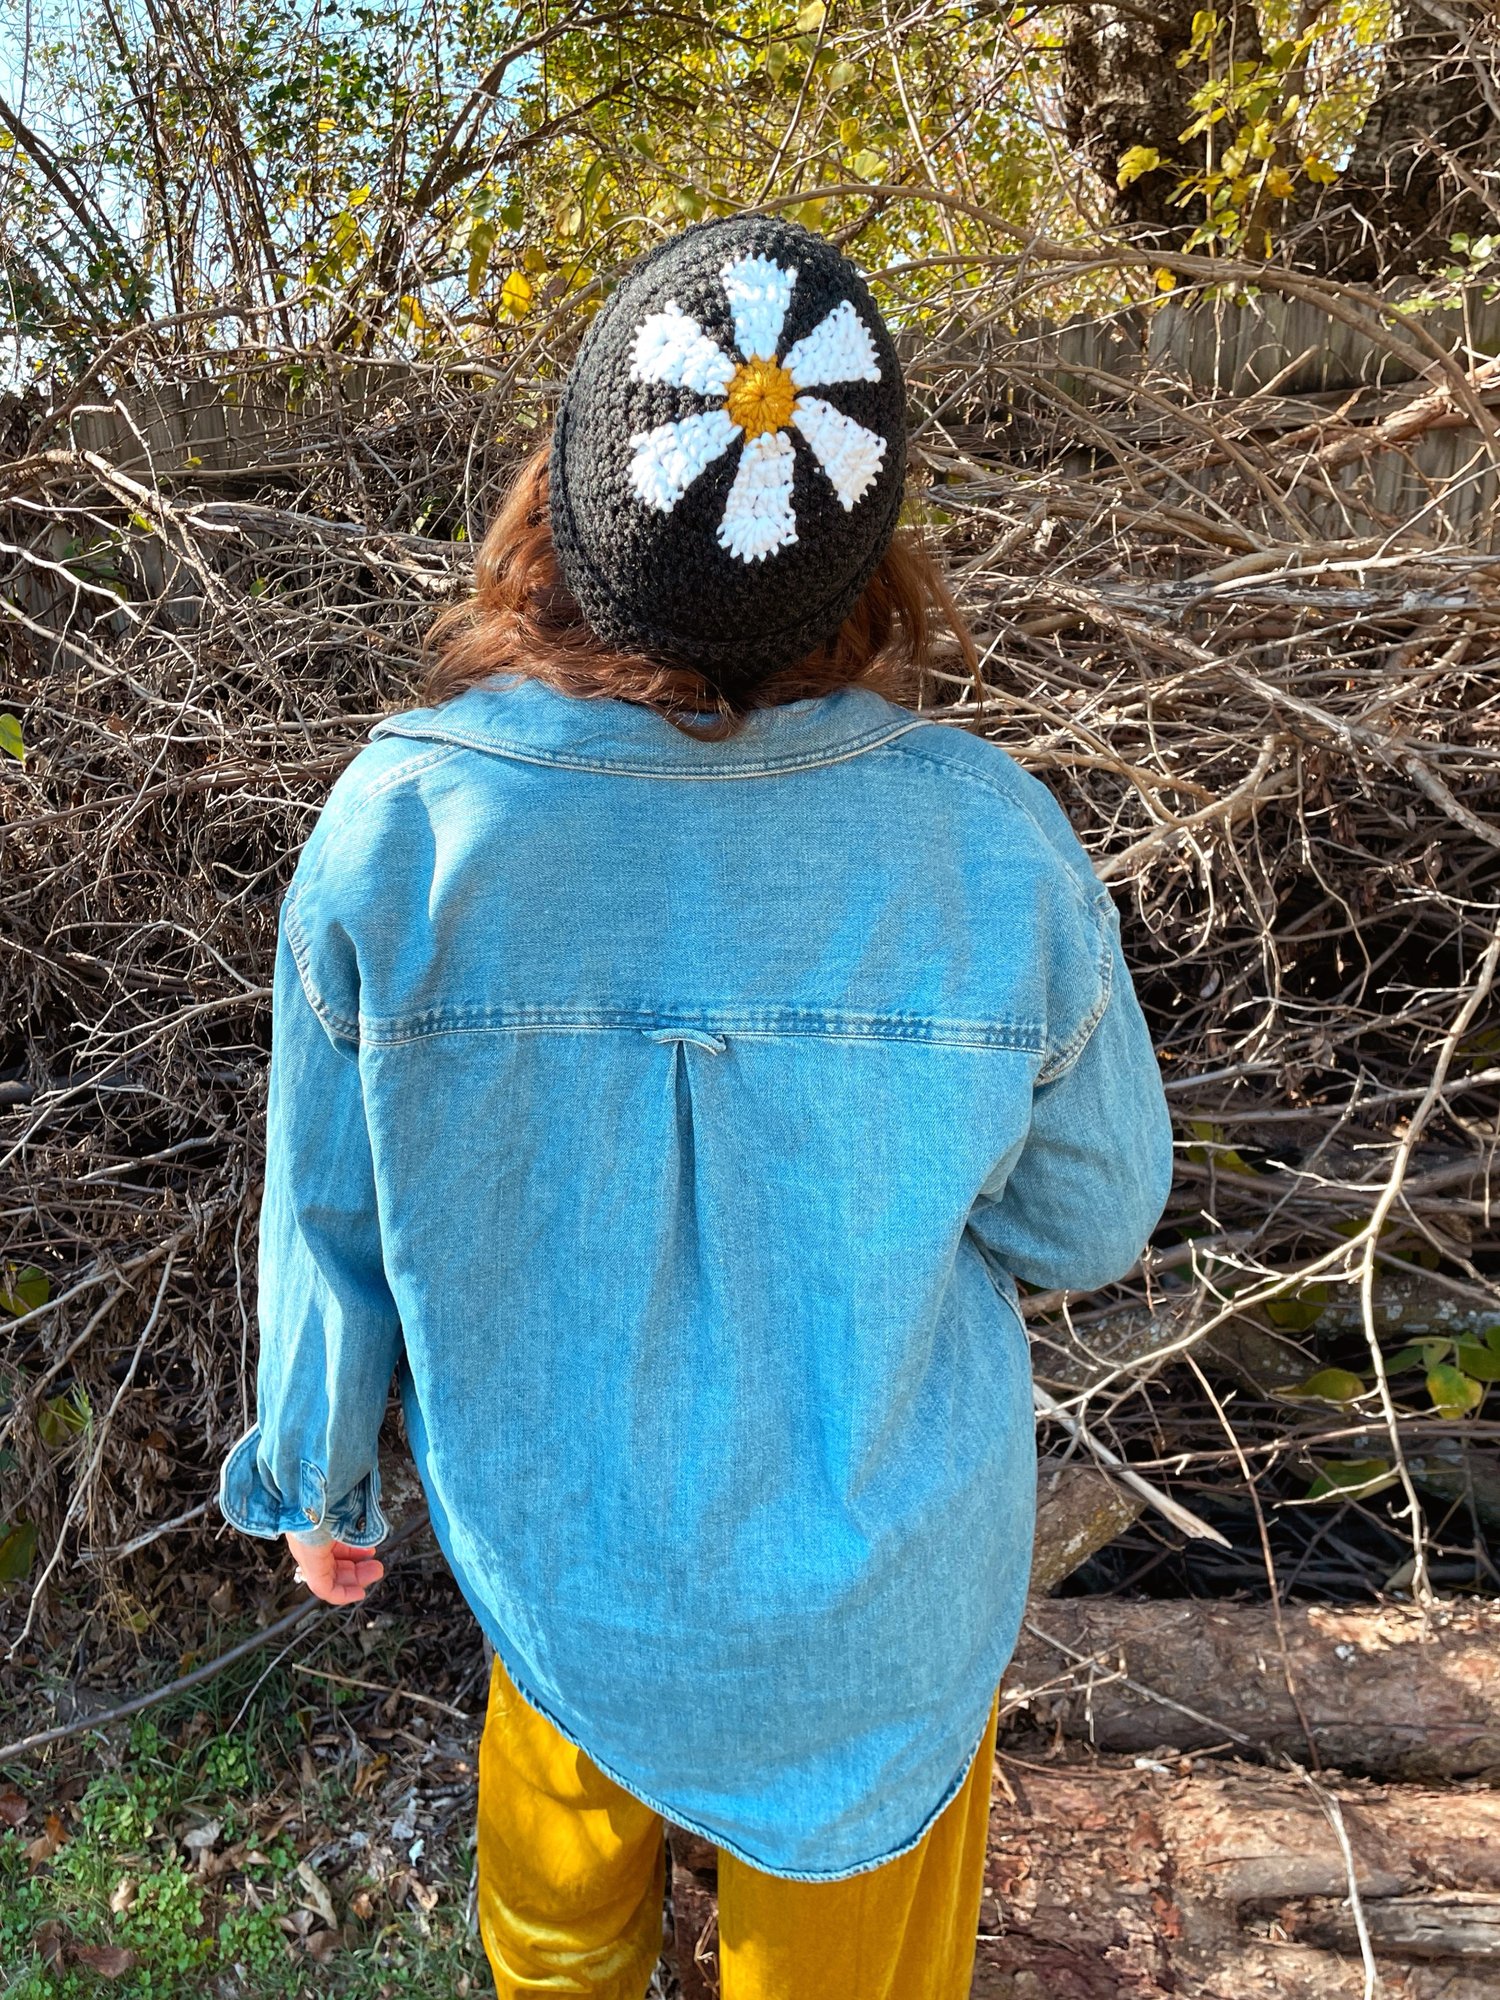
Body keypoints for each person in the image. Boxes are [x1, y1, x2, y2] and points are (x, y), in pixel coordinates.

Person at [219, 214, 1172, 2000]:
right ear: (868, 554)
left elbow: (326, 1208)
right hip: (877, 1636)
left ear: (566, 504)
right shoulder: (985, 841)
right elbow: (1090, 1215)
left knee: (553, 1965)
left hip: (571, 1592)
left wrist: (320, 1470)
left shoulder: (408, 829)